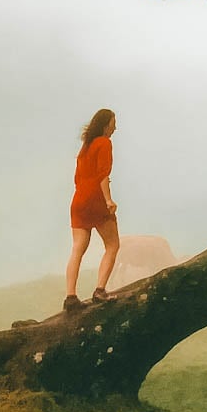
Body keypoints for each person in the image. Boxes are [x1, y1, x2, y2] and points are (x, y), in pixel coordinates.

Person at [64, 108, 120, 310]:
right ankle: (100, 290)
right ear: (105, 125)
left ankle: (70, 297)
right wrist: (108, 200)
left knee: (77, 249)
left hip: (78, 200)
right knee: (112, 245)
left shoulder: (85, 147)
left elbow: (77, 178)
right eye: (113, 123)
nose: (115, 128)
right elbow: (103, 174)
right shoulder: (104, 143)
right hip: (95, 199)